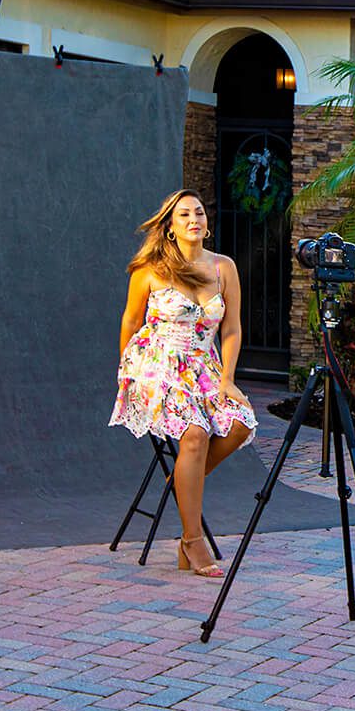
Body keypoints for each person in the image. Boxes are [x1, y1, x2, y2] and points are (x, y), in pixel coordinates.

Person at [109, 189, 256, 579]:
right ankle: (192, 541)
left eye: (200, 213)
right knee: (195, 434)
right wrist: (126, 370)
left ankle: (180, 481)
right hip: (157, 363)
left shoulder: (224, 268)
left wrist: (227, 379)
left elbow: (232, 328)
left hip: (203, 366)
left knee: (240, 421)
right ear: (171, 228)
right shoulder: (151, 270)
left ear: (207, 224)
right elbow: (130, 321)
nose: (194, 219)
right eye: (185, 215)